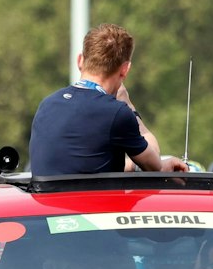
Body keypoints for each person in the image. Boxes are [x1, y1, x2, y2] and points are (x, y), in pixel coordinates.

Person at [28, 23, 188, 175]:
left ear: (80, 61)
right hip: (93, 204)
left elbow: (84, 167)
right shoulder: (117, 113)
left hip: (46, 203)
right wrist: (128, 104)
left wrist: (131, 166)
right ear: (124, 70)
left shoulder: (47, 105)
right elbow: (153, 165)